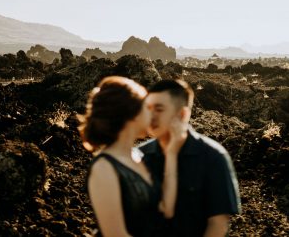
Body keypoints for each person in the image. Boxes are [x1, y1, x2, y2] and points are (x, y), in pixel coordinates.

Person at [78, 76, 186, 237]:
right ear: (132, 114)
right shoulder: (104, 168)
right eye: (147, 107)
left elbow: (167, 209)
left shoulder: (140, 156)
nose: (152, 114)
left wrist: (171, 154)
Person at [139, 79, 241, 237]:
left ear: (182, 114)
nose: (151, 116)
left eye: (159, 109)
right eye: (148, 108)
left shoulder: (213, 157)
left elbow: (218, 224)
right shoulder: (140, 156)